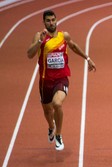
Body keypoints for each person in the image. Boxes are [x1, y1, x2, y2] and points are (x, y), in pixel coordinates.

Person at [27, 10, 96, 151]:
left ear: (56, 20)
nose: (51, 22)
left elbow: (74, 46)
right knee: (47, 111)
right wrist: (39, 41)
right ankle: (51, 127)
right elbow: (30, 54)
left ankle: (58, 135)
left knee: (57, 104)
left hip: (61, 78)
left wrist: (87, 59)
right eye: (48, 20)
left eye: (53, 20)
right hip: (45, 81)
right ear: (44, 22)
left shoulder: (63, 36)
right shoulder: (40, 36)